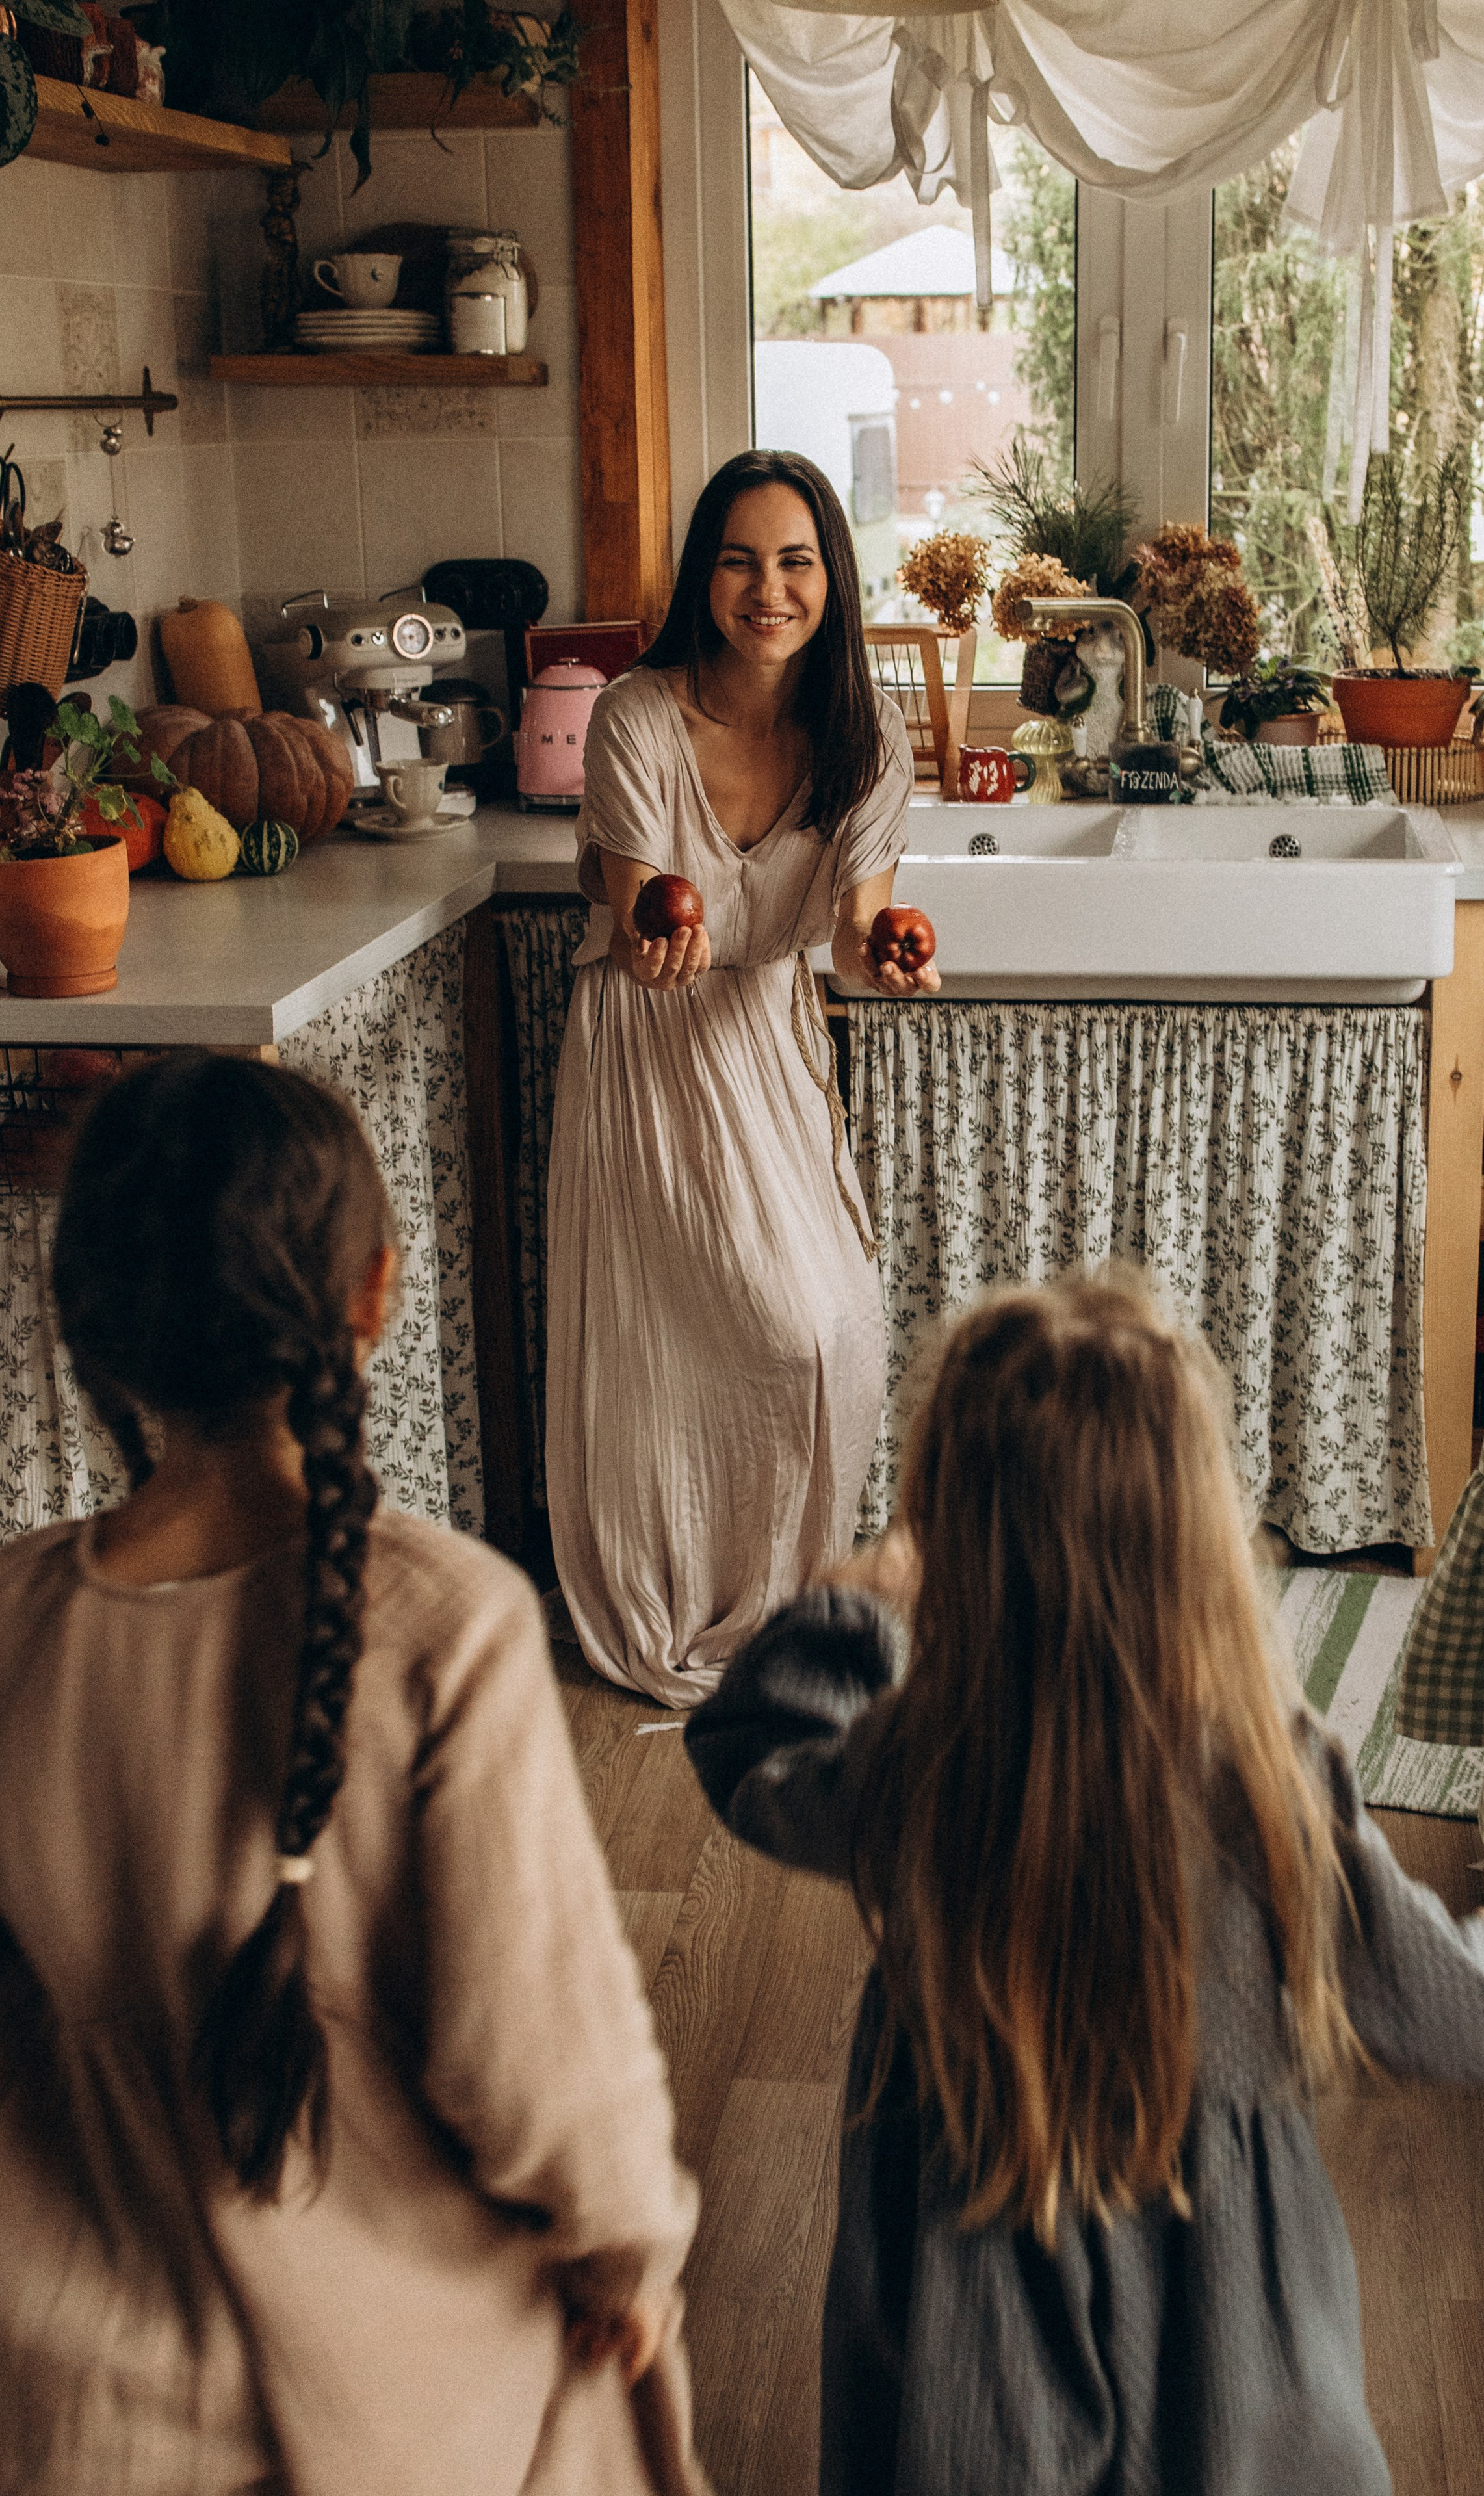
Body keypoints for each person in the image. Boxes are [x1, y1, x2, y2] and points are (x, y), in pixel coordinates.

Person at [0, 1054, 705, 2496]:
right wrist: (625, 2253)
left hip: (76, 2397)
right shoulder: (447, 1625)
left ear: (90, 1324)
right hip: (408, 2403)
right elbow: (539, 2060)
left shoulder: (6, 1623)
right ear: (373, 1297)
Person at [684, 1271, 1484, 2496]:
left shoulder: (923, 1758)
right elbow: (1431, 1995)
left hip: (968, 2308)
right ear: (1197, 1529)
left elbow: (751, 1756)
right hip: (1225, 2338)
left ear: (949, 1535)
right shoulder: (1267, 1772)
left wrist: (851, 1604)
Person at [547, 447, 939, 1709]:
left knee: (839, 1336)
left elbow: (849, 936)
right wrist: (661, 931)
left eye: (793, 561)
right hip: (646, 1052)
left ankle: (782, 1599)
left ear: (831, 575)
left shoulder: (864, 746)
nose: (765, 589)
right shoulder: (634, 720)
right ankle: (675, 1597)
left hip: (767, 1043)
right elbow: (640, 909)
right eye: (736, 560)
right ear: (698, 578)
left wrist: (888, 955)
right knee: (691, 1345)